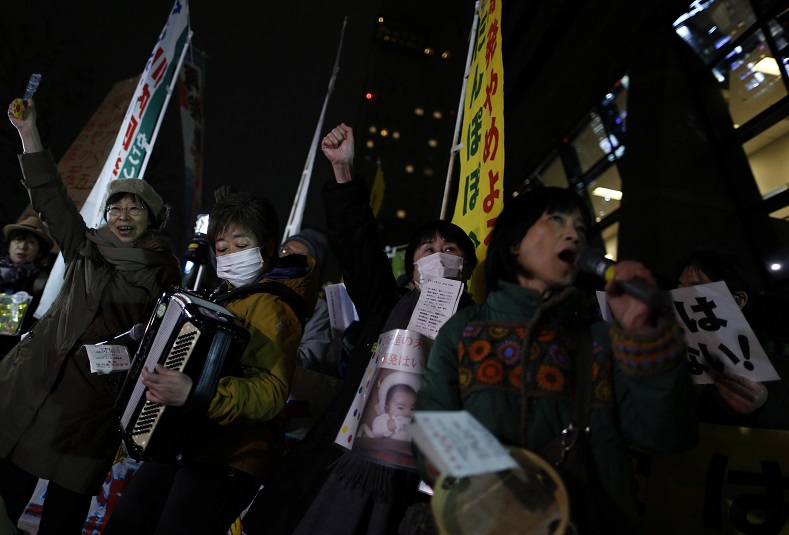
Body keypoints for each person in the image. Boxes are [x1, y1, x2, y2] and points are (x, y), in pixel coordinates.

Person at [415, 186, 698, 534]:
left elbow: (668, 436)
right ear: (514, 244)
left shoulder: (604, 340)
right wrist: (504, 499)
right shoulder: (464, 330)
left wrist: (647, 338)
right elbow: (432, 427)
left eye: (581, 229)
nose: (573, 234)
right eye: (557, 221)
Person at [242, 123, 478, 535]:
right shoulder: (383, 304)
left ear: (467, 268)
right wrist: (344, 172)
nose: (438, 256)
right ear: (412, 269)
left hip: (413, 475)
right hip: (339, 455)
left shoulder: (478, 326)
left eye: (450, 250)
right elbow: (358, 242)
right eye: (428, 249)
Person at [0, 98, 181, 534]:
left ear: (151, 220)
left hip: (90, 417)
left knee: (62, 519)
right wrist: (29, 133)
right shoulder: (85, 248)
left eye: (134, 208)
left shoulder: (164, 278)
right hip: (33, 392)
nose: (123, 215)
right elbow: (50, 197)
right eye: (116, 207)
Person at [102, 188, 317, 535]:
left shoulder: (274, 305)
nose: (230, 253)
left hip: (231, 456)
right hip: (188, 444)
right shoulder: (229, 296)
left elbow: (271, 392)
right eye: (221, 247)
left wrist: (195, 391)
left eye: (240, 243)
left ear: (267, 246)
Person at [675, 248, 788, 429]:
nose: (681, 299)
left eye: (696, 288)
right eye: (678, 289)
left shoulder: (781, 375)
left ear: (737, 301)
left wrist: (763, 409)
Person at [0, 214, 54, 358]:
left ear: (40, 251)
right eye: (18, 240)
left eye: (31, 242)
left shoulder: (43, 281)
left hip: (14, 353)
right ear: (9, 244)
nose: (22, 246)